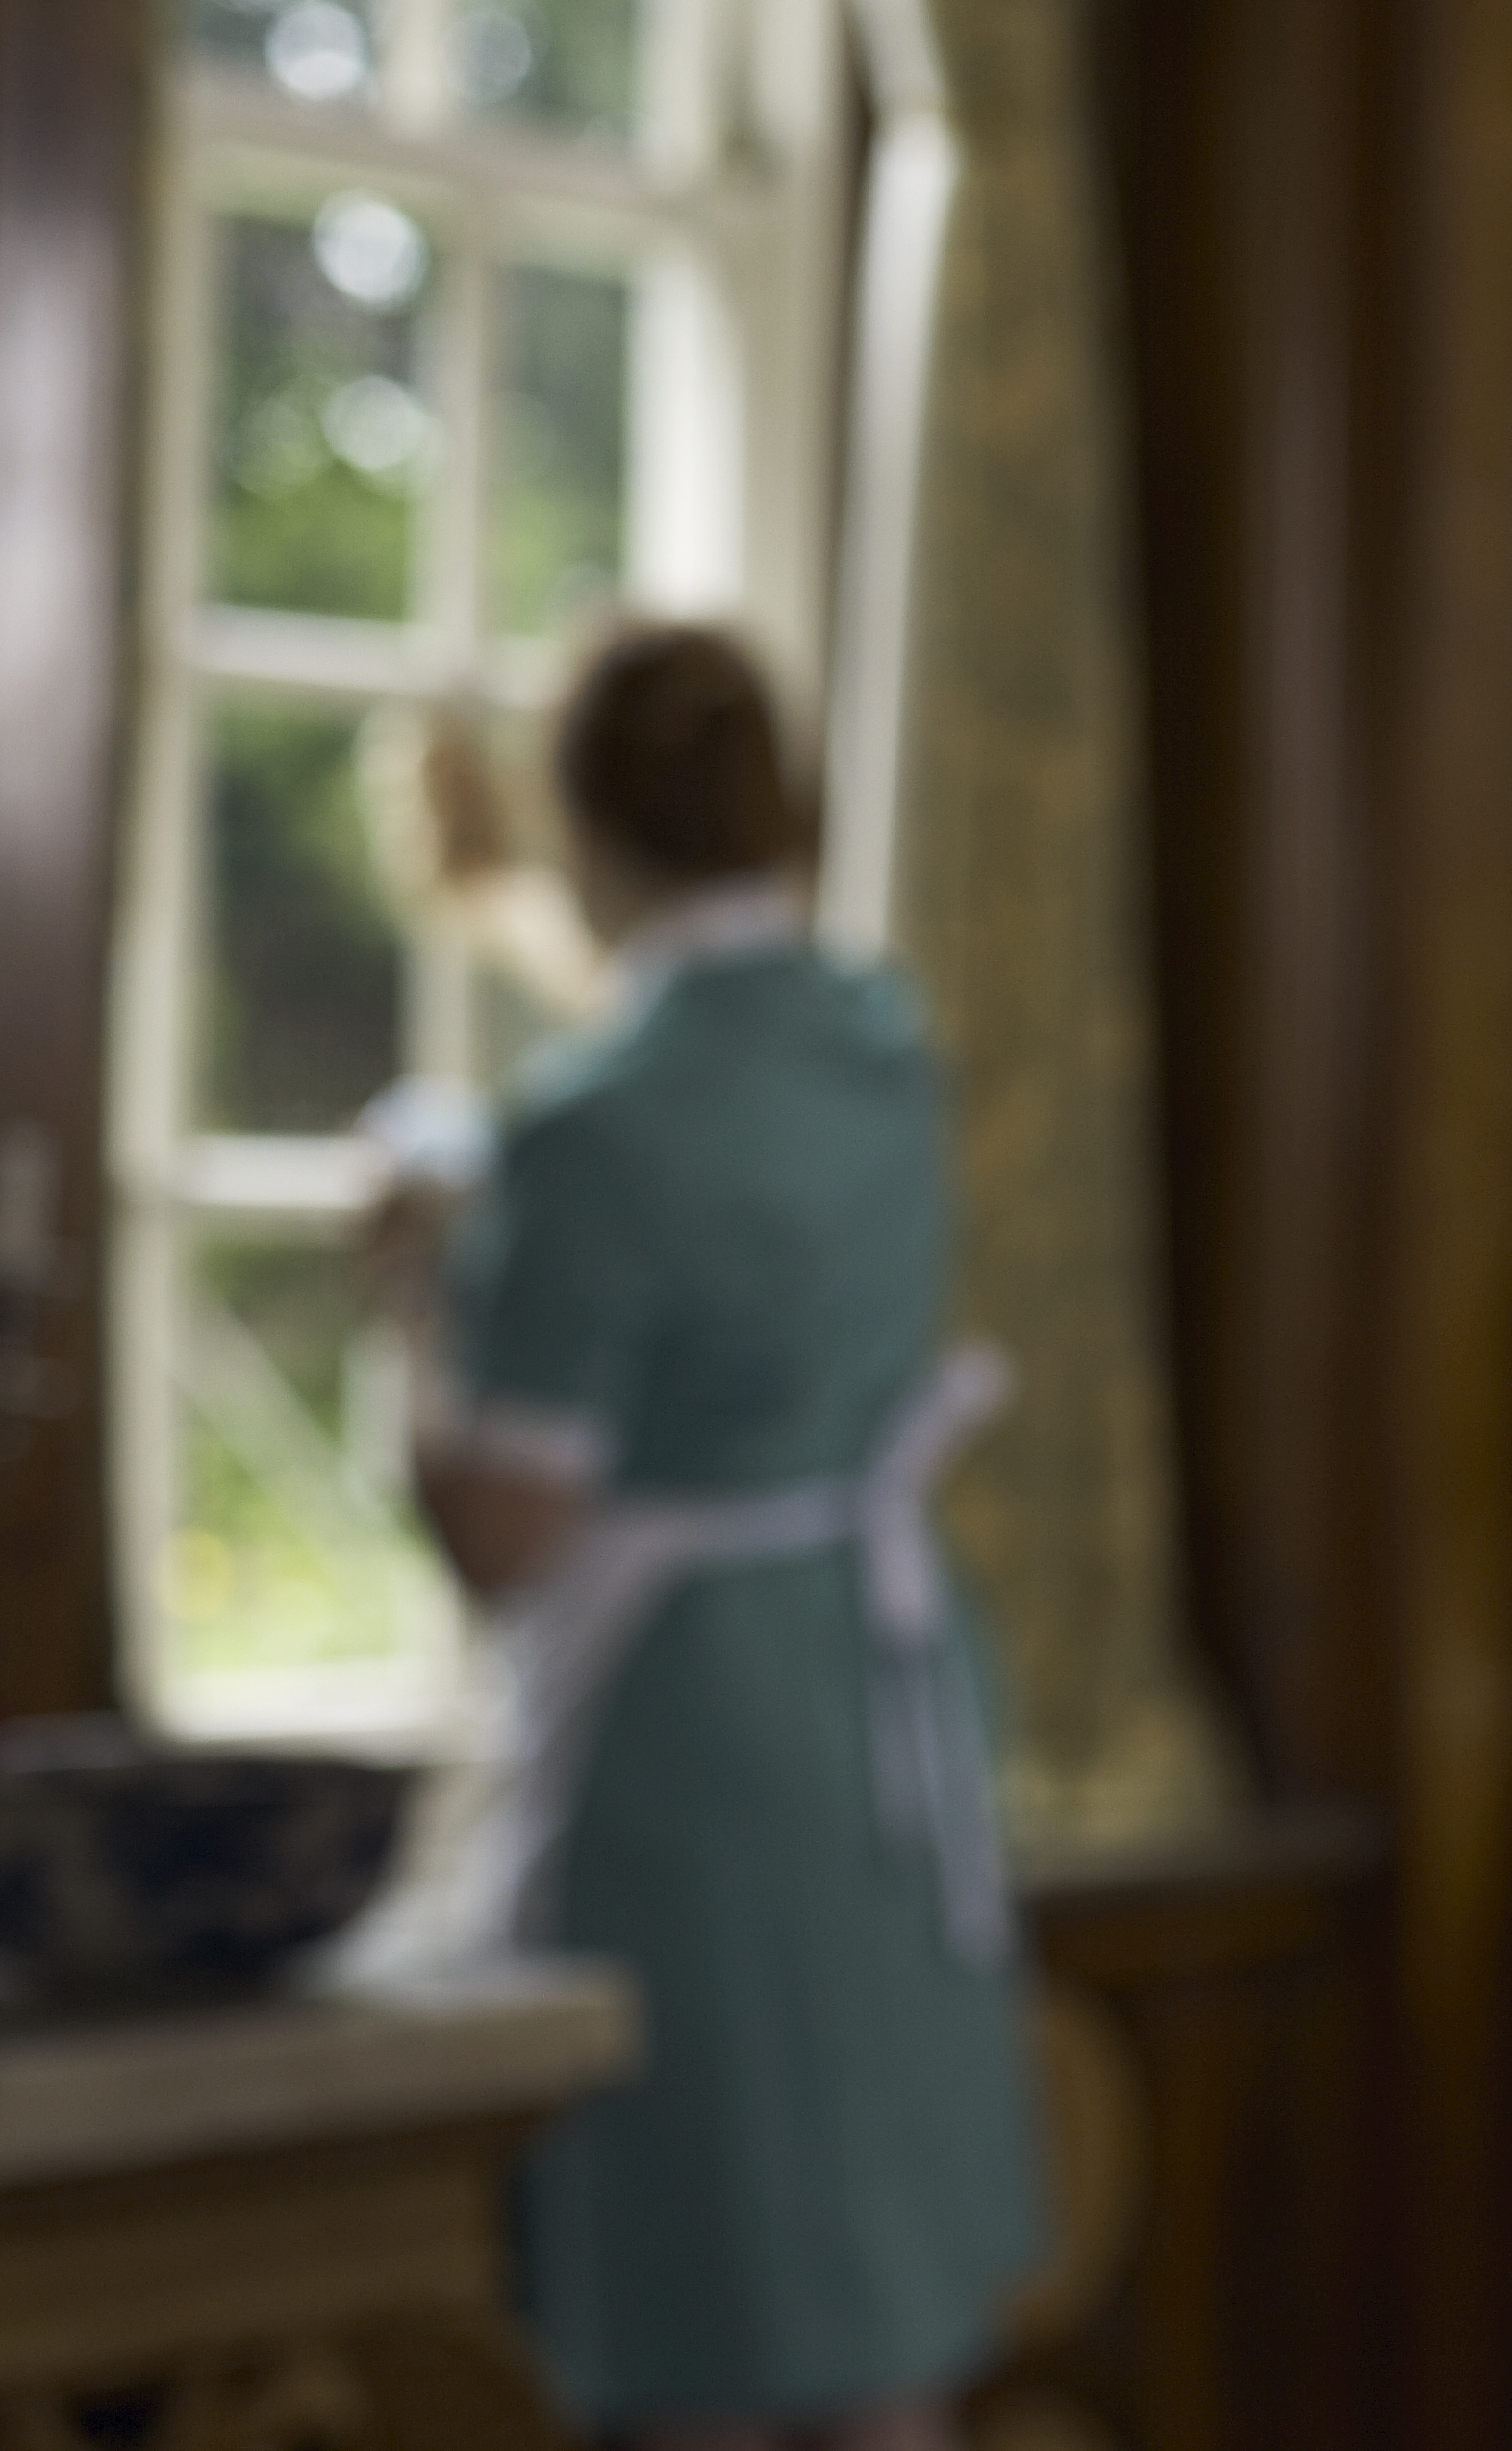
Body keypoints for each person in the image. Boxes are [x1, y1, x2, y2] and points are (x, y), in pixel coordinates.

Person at [394, 622, 1043, 2451]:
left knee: (708, 2309)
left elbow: (510, 1532)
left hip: (693, 1745)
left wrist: (410, 1317)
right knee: (869, 2301)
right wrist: (502, 907)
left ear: (583, 818)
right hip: (878, 1689)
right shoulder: (879, 1046)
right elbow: (689, 1030)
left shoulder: (591, 1129)